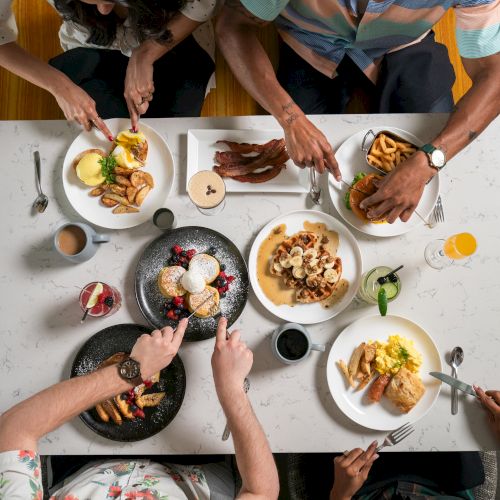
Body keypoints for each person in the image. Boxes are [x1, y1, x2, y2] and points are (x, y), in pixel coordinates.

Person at [216, 1, 500, 223]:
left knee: (446, 167)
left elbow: (494, 74)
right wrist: (290, 119)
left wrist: (430, 160)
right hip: (310, 43)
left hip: (402, 44)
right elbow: (232, 25)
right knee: (296, 179)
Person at [0, 317, 280, 499]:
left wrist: (130, 371)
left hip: (80, 468)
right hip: (197, 477)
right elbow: (262, 492)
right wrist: (231, 389)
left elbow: (14, 429)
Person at [0, 0, 219, 139]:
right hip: (91, 41)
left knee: (172, 135)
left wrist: (146, 54)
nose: (104, 10)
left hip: (169, 28)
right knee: (108, 139)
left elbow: (203, 3)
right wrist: (59, 86)